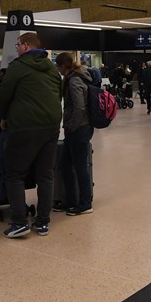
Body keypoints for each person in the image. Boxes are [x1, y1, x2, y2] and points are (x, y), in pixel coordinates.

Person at [0, 32, 62, 238]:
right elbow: (59, 92)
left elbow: (3, 95)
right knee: (46, 175)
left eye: (17, 45)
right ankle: (42, 222)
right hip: (51, 125)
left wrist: (4, 117)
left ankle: (19, 222)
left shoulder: (18, 66)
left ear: (25, 46)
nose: (16, 49)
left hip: (24, 126)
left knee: (14, 174)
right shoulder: (51, 66)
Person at [55, 52, 95, 215]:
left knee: (80, 167)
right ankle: (70, 200)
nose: (58, 70)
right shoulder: (77, 77)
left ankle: (85, 203)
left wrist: (72, 126)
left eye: (58, 66)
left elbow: (79, 107)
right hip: (77, 128)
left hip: (79, 129)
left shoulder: (74, 80)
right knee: (65, 165)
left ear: (63, 66)